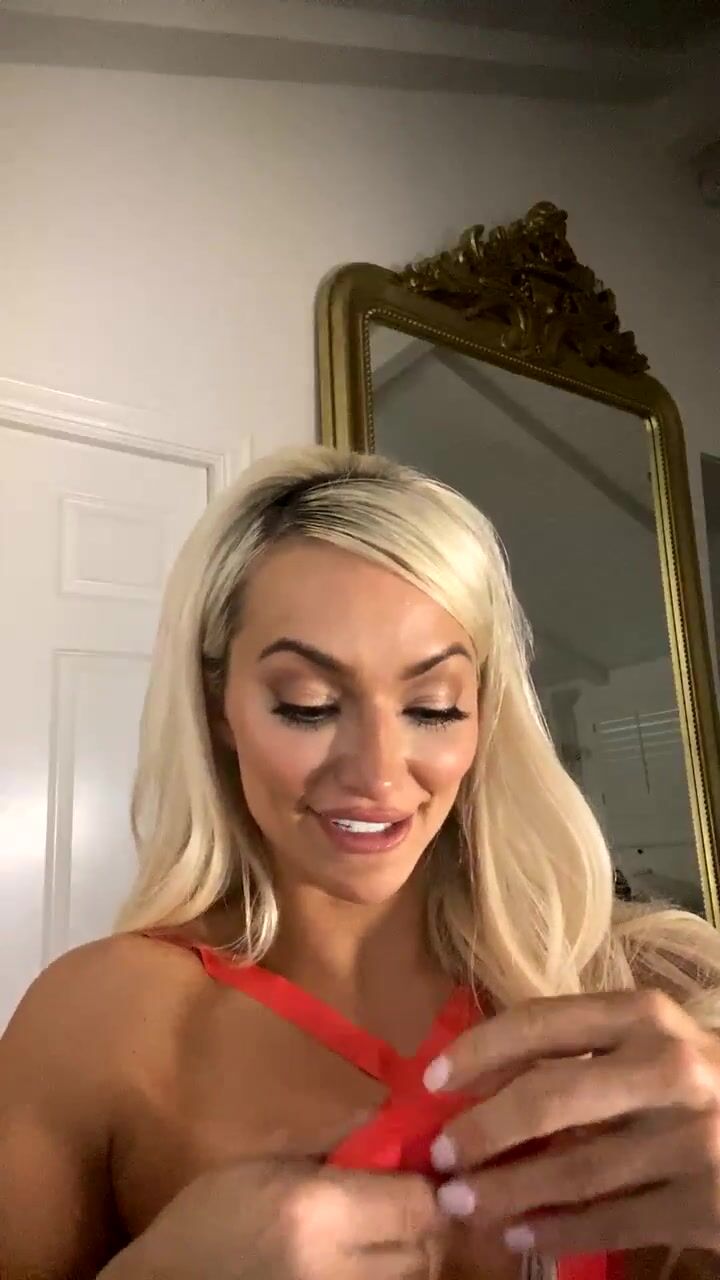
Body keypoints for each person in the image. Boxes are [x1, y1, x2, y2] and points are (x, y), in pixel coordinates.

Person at [2, 446, 720, 1280]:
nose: (379, 775)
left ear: (482, 714)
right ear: (219, 707)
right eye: (307, 705)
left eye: (432, 707)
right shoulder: (97, 1028)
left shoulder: (655, 993)